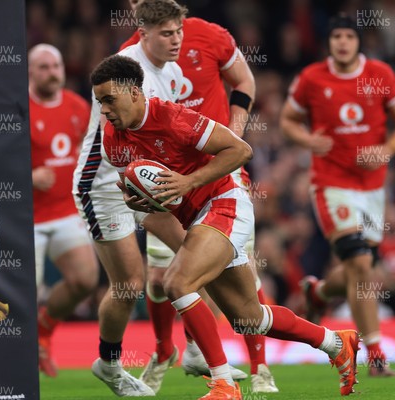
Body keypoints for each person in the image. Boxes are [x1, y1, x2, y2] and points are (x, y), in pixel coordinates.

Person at [93, 53, 361, 399]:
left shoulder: (174, 119)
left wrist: (190, 182)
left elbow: (240, 150)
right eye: (100, 102)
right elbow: (140, 189)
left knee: (176, 282)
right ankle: (337, 343)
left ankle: (224, 384)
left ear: (133, 92)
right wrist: (138, 202)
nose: (105, 110)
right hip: (195, 218)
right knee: (248, 318)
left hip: (224, 201)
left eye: (109, 100)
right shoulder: (114, 140)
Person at [74, 1, 244, 395]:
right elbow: (130, 140)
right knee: (128, 284)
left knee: (196, 251)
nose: (177, 40)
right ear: (144, 32)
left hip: (142, 175)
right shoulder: (127, 70)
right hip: (104, 184)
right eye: (167, 34)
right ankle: (110, 364)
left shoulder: (168, 68)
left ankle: (199, 352)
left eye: (179, 32)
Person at [119, 2, 277, 392]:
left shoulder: (211, 35)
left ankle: (259, 368)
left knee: (237, 266)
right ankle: (167, 350)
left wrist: (232, 134)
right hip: (167, 182)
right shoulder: (128, 58)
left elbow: (244, 82)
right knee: (162, 276)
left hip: (218, 167)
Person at [280, 14, 395, 377]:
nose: (342, 42)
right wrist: (308, 140)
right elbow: (287, 119)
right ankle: (374, 355)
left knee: (363, 268)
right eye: (336, 36)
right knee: (358, 263)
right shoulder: (311, 78)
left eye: (348, 36)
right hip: (331, 183)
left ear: (359, 42)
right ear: (329, 42)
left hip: (372, 188)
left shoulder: (381, 75)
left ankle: (318, 293)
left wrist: (388, 149)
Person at [28, 44, 99, 377]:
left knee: (85, 279)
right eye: (43, 67)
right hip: (26, 218)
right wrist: (28, 178)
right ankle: (16, 361)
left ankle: (44, 330)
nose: (52, 72)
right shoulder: (16, 109)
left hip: (64, 210)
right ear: (30, 72)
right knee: (26, 292)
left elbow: (93, 152)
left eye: (55, 65)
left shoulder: (77, 106)